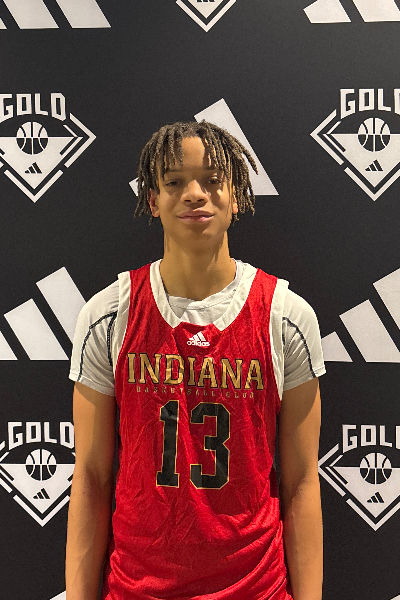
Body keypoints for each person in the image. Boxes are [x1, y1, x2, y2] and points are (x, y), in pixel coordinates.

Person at [66, 121, 325, 600]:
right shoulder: (108, 315)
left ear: (236, 195)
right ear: (152, 200)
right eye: (174, 181)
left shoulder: (285, 317)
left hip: (255, 588)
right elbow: (92, 477)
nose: (194, 194)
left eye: (212, 180)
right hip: (139, 589)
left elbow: (302, 482)